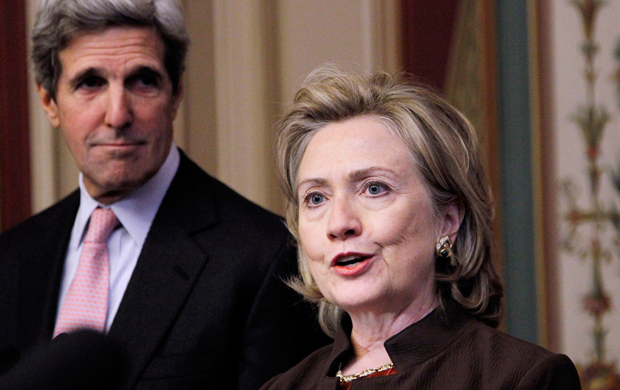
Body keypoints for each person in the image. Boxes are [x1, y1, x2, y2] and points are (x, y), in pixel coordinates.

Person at [0, 0, 329, 389]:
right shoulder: (11, 257)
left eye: (143, 81)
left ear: (175, 95)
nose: (118, 115)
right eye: (90, 83)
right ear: (48, 101)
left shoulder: (265, 258)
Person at [261, 67, 581, 389]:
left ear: (448, 220)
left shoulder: (523, 378)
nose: (339, 223)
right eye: (316, 198)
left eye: (374, 188)